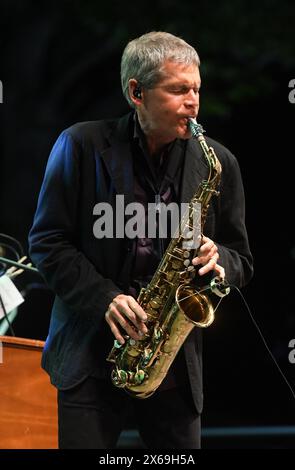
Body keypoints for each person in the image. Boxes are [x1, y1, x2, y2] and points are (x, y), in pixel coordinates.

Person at [29, 31, 253, 449]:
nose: (194, 101)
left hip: (172, 365)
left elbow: (242, 260)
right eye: (178, 89)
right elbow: (48, 242)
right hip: (89, 354)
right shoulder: (80, 145)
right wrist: (105, 299)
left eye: (197, 89)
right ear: (137, 92)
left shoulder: (218, 162)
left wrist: (217, 256)